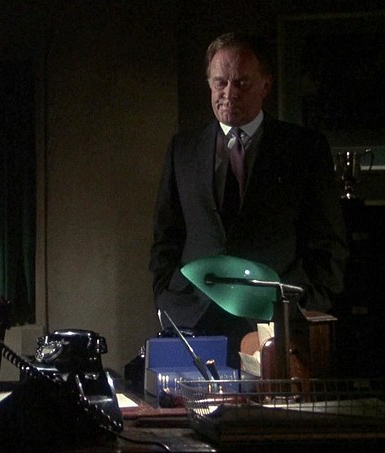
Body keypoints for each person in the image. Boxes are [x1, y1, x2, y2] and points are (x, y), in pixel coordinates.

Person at [149, 32, 348, 368]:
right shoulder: (183, 149)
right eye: (220, 82)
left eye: (241, 82)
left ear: (265, 85)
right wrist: (165, 294)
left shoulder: (304, 148)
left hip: (275, 320)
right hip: (193, 317)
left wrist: (307, 305)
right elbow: (165, 235)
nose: (229, 93)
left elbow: (329, 242)